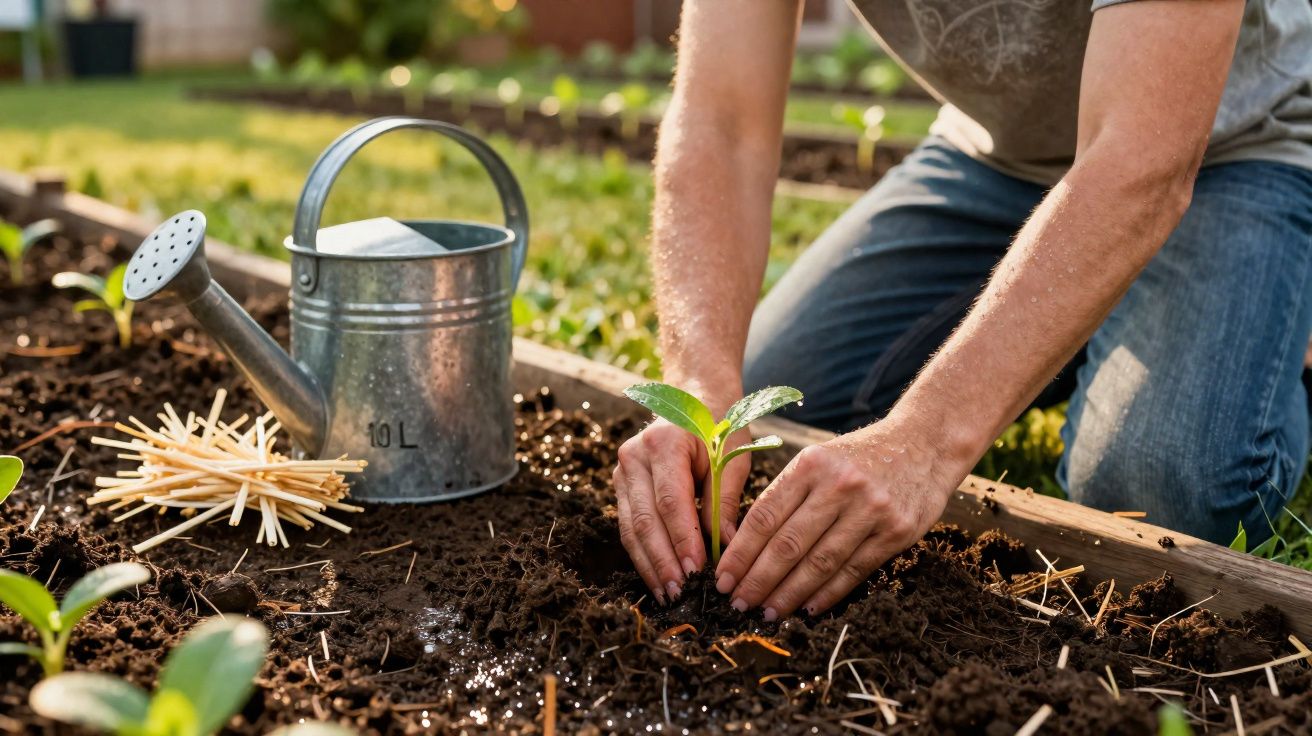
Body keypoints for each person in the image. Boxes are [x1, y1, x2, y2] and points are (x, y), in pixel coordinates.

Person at [613, 0, 1312, 621]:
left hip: (1242, 144)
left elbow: (1141, 160)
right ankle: (1076, 319)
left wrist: (924, 440)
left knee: (1152, 494)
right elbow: (721, 121)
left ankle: (1285, 333)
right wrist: (698, 385)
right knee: (780, 404)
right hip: (995, 159)